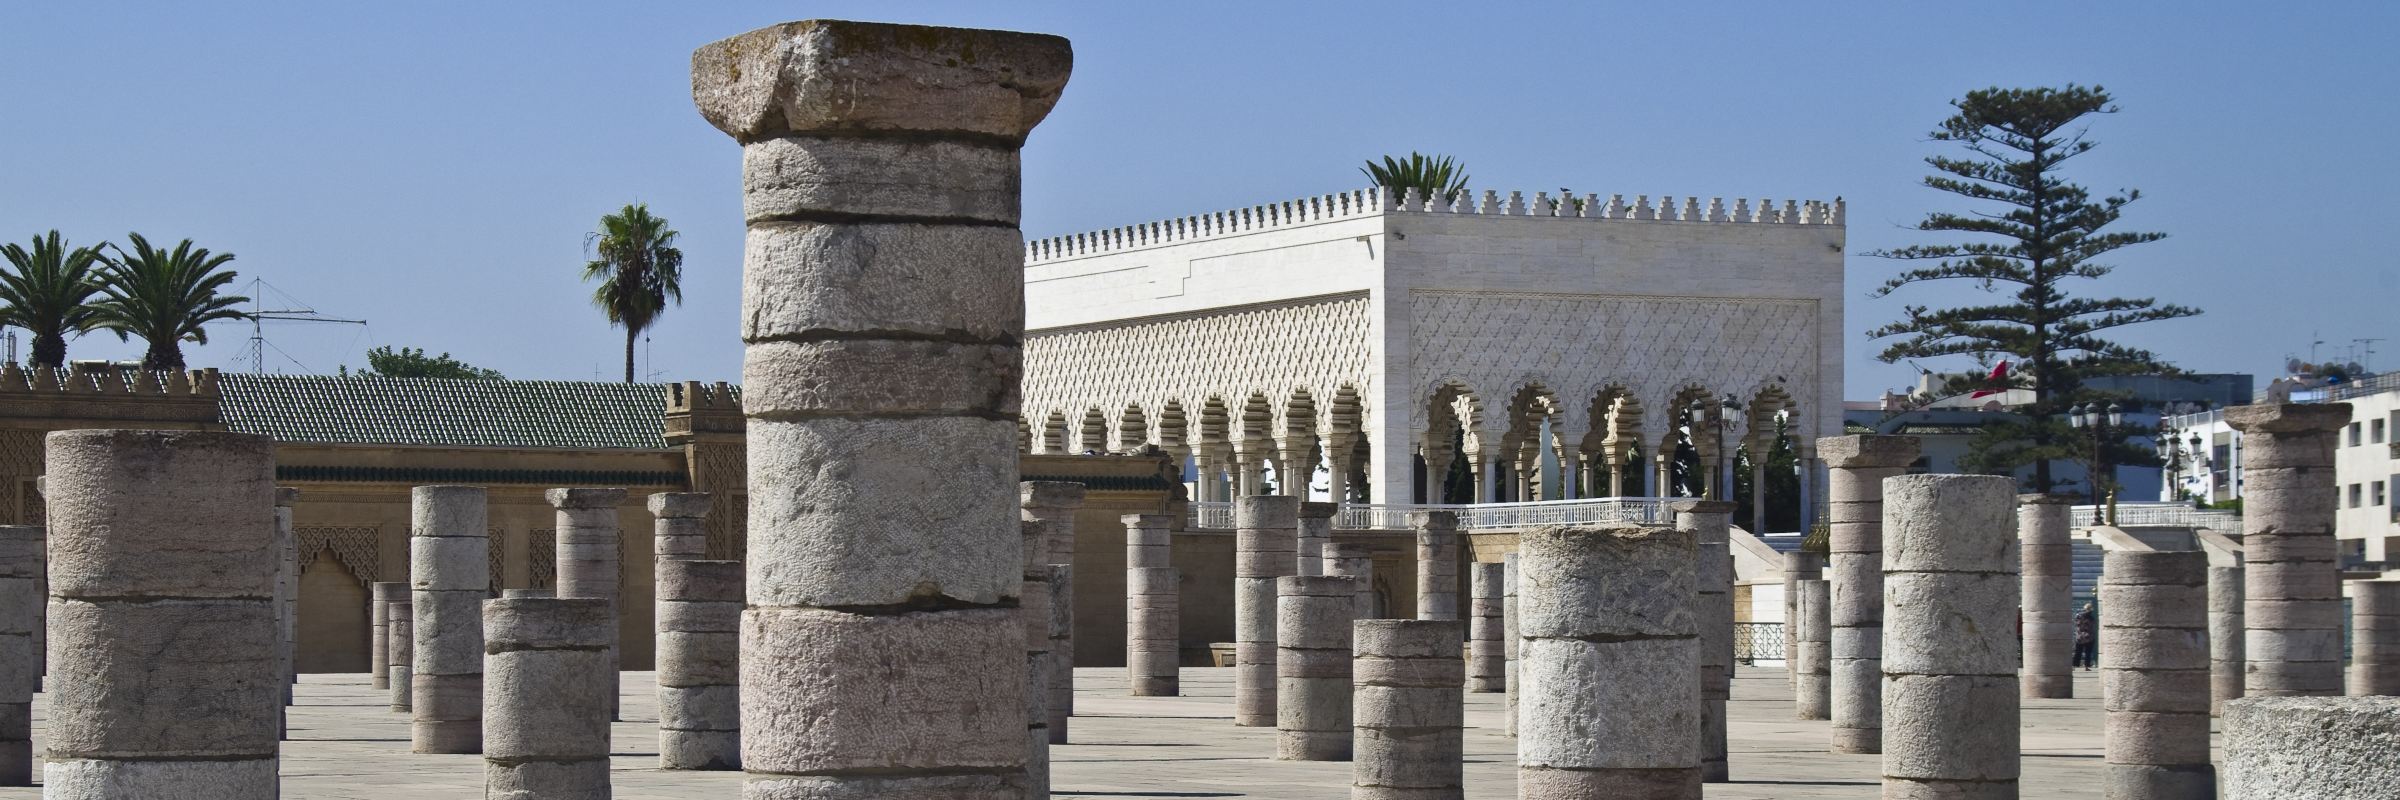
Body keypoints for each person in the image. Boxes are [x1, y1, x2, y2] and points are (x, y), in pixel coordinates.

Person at [2073, 601, 2099, 669]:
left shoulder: (2078, 616)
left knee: (2078, 651)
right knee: (2088, 652)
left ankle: (2075, 665)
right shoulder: (2091, 618)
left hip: (2080, 636)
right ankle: (2087, 666)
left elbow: (2077, 624)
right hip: (2089, 637)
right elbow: (2092, 626)